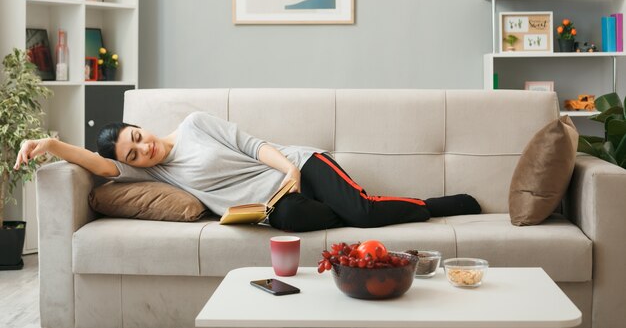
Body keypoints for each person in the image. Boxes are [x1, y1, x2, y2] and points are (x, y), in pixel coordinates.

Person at [14, 111, 481, 232]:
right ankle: (330, 211)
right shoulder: (153, 176)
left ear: (140, 127)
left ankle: (447, 205)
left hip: (300, 166)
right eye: (132, 155)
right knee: (290, 221)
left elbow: (254, 145)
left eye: (137, 137)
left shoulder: (194, 125)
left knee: (361, 212)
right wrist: (51, 145)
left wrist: (292, 171)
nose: (143, 149)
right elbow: (97, 164)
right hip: (274, 205)